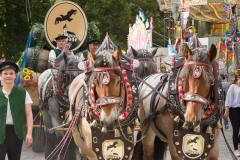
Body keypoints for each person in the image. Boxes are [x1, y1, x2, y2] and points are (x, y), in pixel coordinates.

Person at [0, 60, 33, 160]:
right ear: (1, 75)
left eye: (11, 73)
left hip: (15, 134)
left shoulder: (23, 93)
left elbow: (29, 114)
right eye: (5, 73)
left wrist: (29, 133)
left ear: (15, 76)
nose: (8, 76)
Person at [224, 70, 240, 157]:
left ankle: (238, 141)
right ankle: (236, 149)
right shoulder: (232, 87)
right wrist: (227, 110)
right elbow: (228, 99)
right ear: (237, 78)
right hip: (234, 110)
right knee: (236, 129)